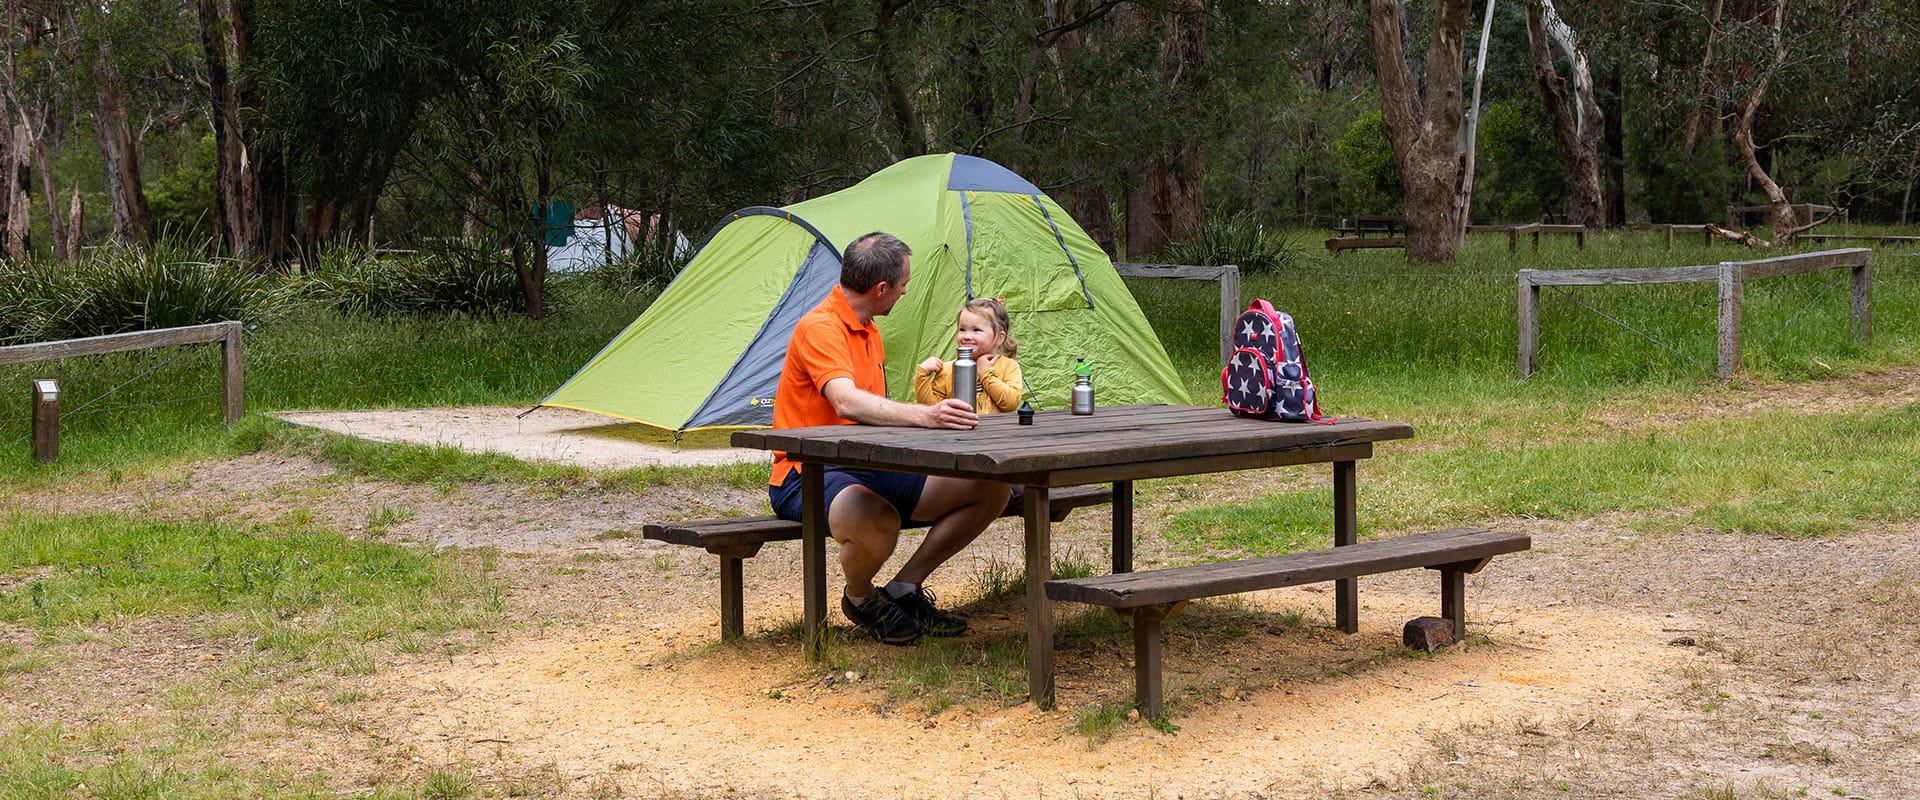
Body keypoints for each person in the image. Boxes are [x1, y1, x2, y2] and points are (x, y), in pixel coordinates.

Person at [767, 232, 1014, 645]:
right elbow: (846, 402)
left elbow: (872, 410)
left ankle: (903, 589)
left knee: (990, 488)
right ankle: (861, 599)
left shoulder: (868, 328)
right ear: (881, 289)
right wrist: (927, 416)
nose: (904, 291)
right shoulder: (821, 327)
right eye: (903, 285)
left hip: (868, 463)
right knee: (877, 519)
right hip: (806, 469)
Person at [913, 297, 1024, 413]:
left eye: (976, 330)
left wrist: (985, 373)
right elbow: (933, 409)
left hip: (996, 430)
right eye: (962, 329)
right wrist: (922, 376)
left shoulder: (1008, 366)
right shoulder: (948, 370)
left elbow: (1011, 403)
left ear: (999, 337)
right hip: (958, 430)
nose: (967, 336)